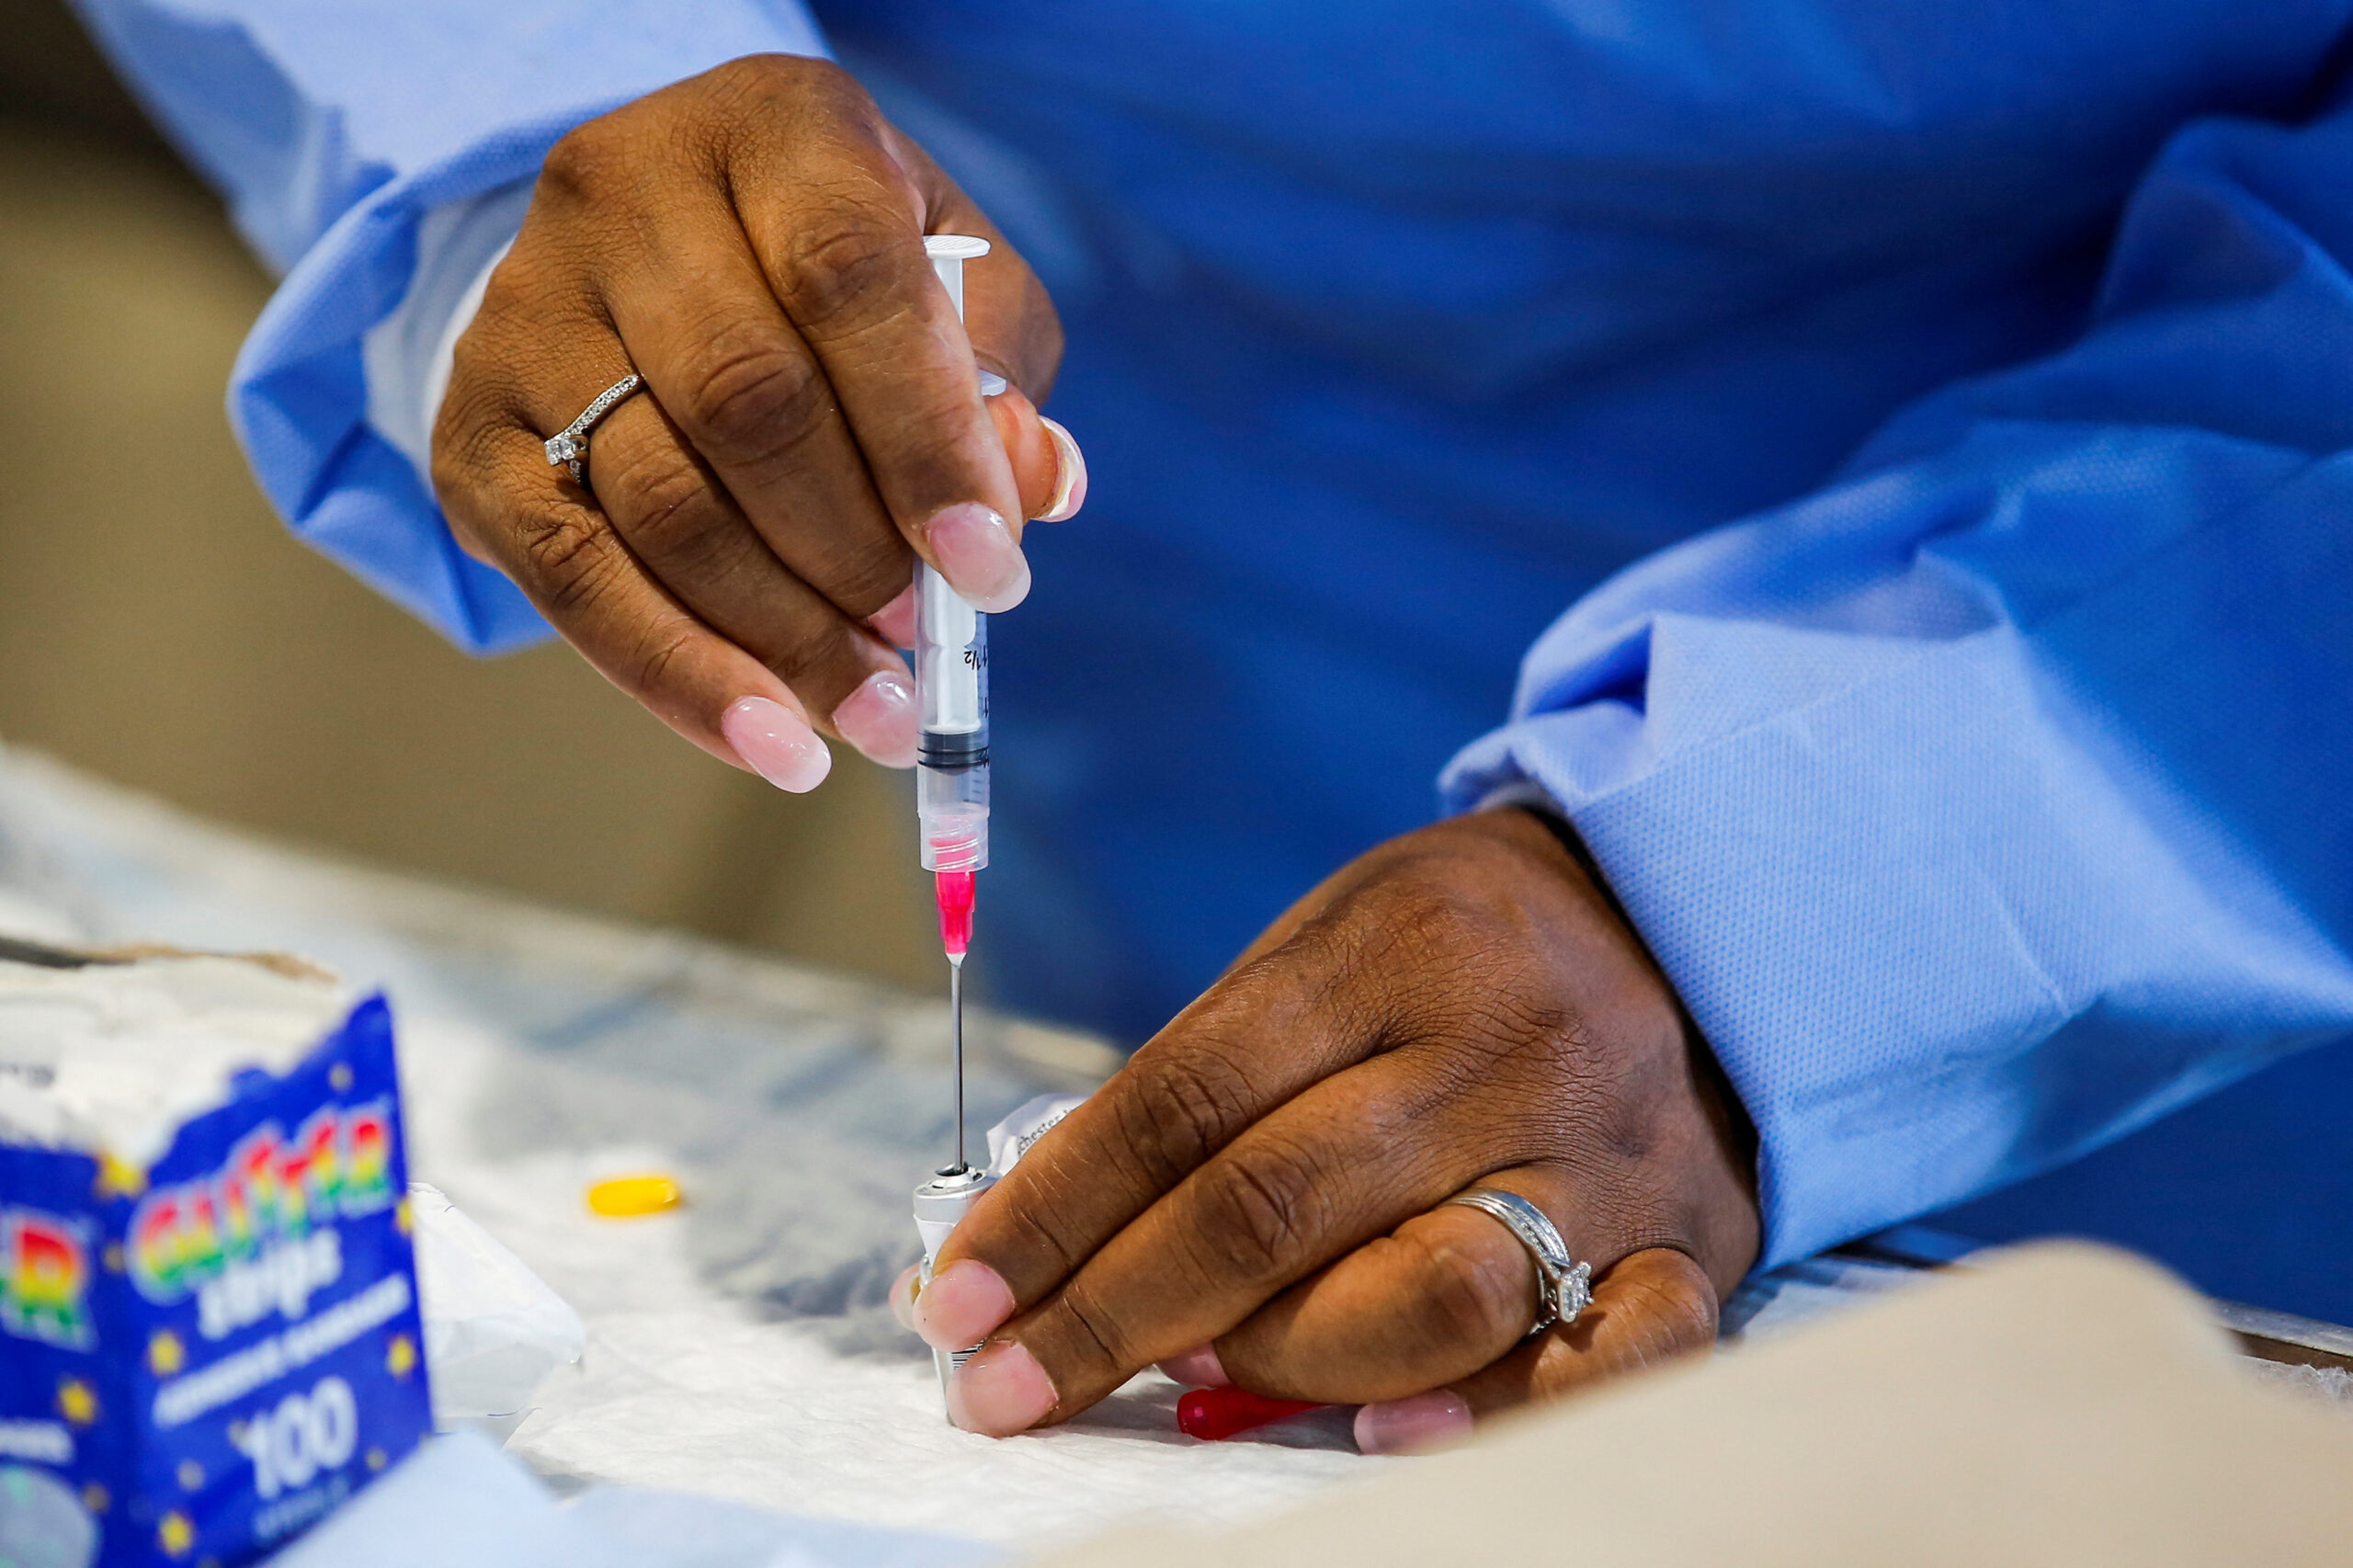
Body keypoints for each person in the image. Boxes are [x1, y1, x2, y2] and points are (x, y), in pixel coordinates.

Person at [70, 0, 2353, 1449]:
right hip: (1181, 643)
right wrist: (534, 138)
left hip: (2183, 739)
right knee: (1228, 1253)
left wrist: (1786, 895)